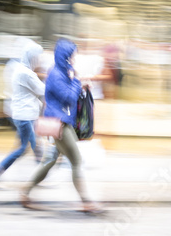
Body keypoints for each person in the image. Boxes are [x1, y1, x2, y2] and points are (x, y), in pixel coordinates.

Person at [20, 38, 102, 213]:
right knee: (77, 161)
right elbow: (68, 97)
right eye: (72, 56)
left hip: (61, 122)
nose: (74, 59)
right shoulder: (57, 74)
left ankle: (25, 192)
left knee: (49, 161)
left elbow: (70, 93)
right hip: (58, 124)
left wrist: (80, 84)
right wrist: (77, 82)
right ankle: (86, 202)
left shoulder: (65, 72)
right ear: (65, 56)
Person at [0, 40, 45, 189]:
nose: (39, 60)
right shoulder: (26, 73)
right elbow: (43, 90)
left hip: (24, 115)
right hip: (24, 117)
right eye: (37, 57)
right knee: (23, 148)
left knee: (35, 146)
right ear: (31, 57)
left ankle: (39, 177)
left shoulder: (22, 70)